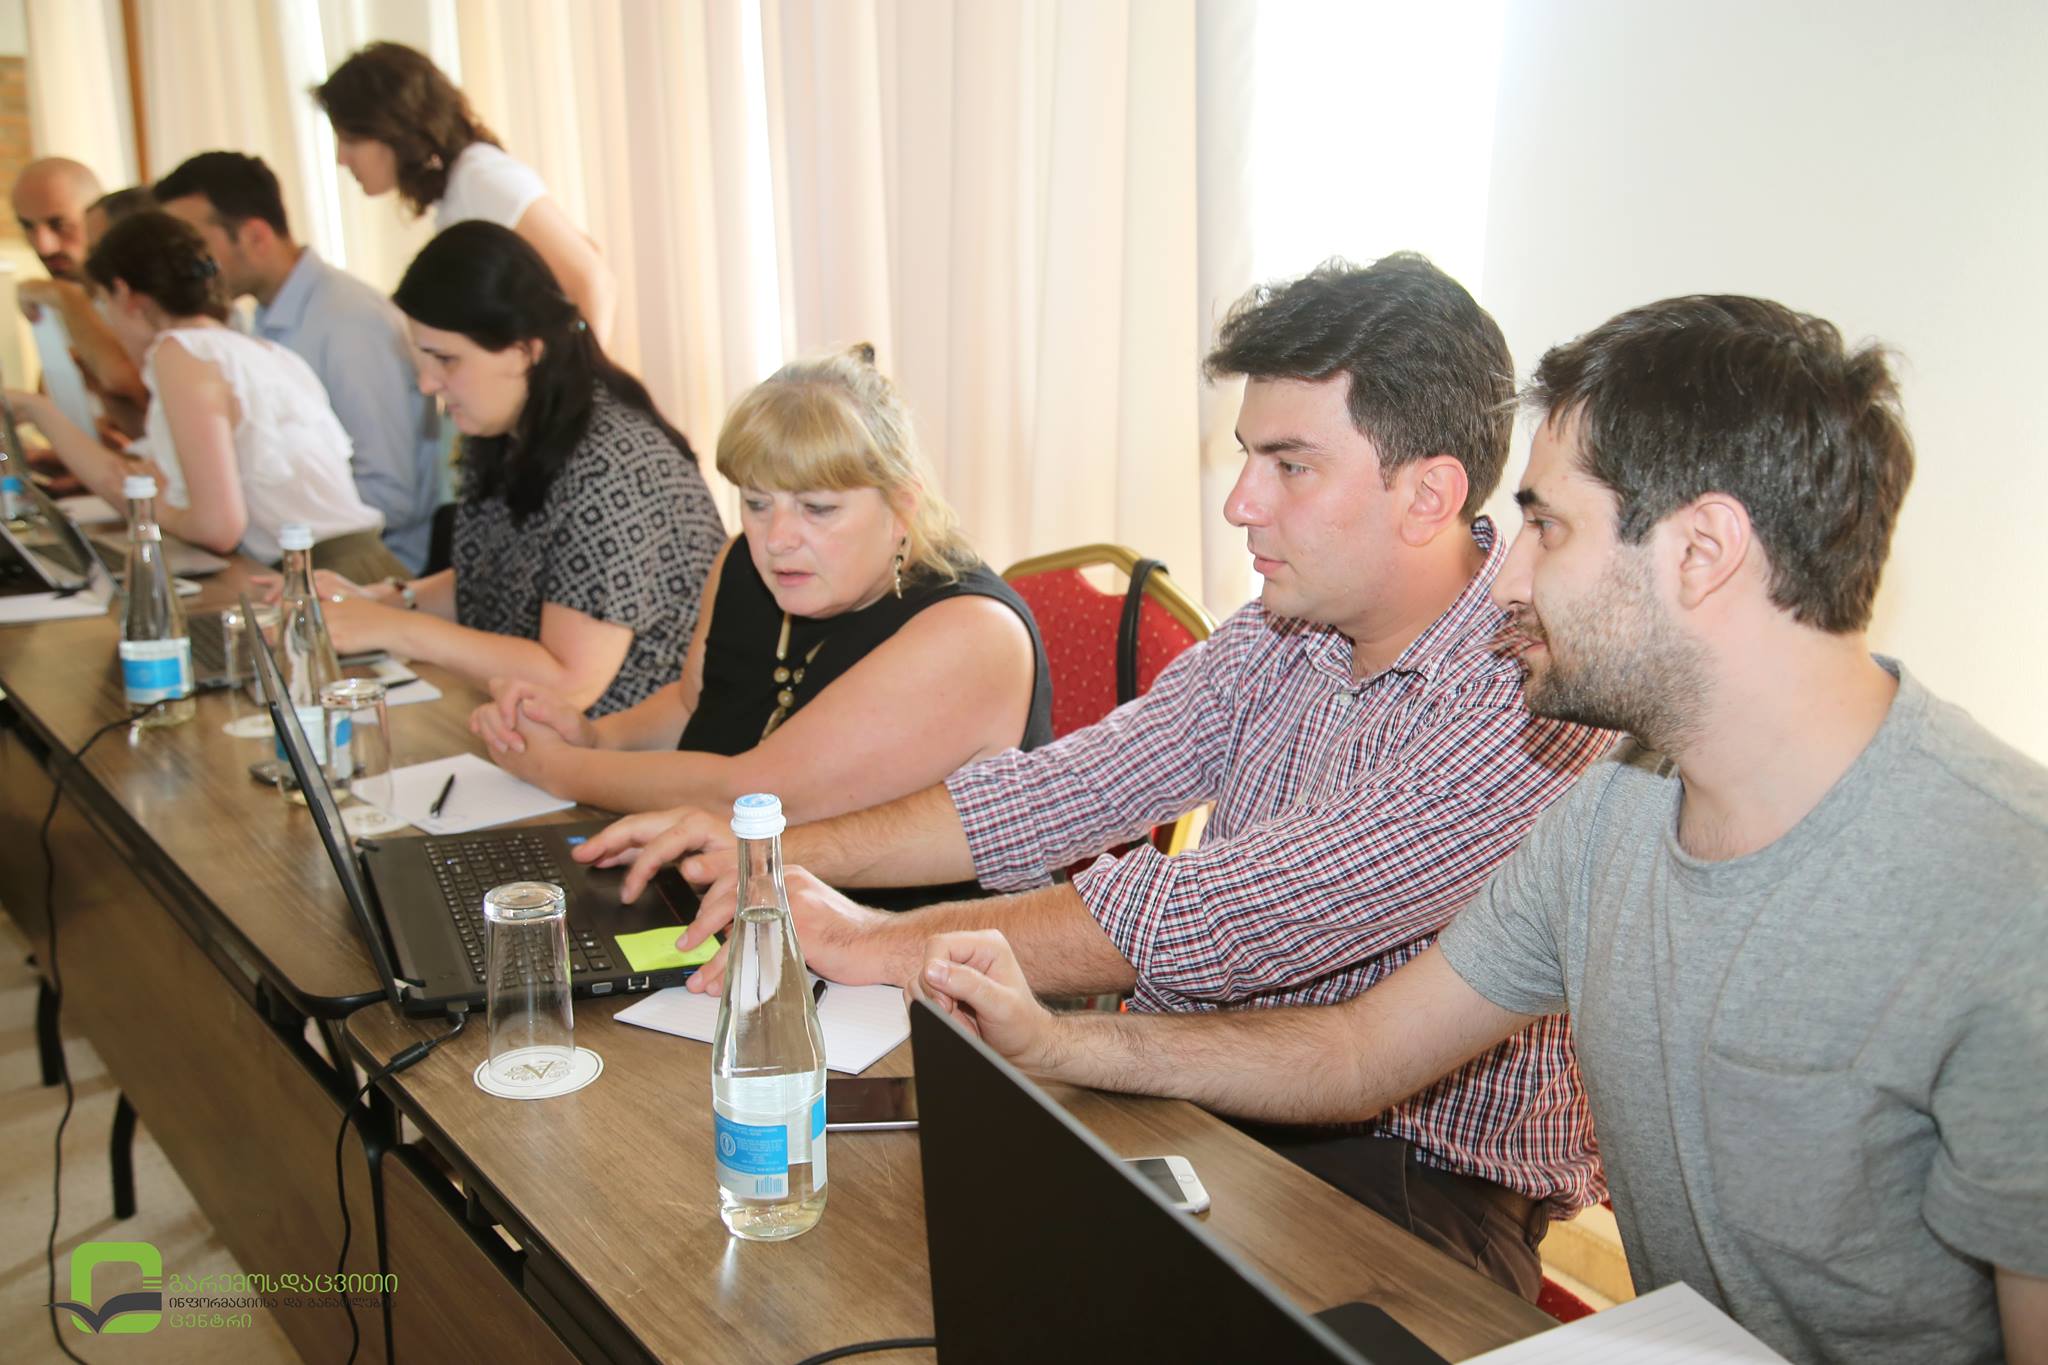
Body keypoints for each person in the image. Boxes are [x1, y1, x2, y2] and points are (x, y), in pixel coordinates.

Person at [910, 296, 2048, 1365]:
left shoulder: (2008, 905)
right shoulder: (1609, 815)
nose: (1506, 579)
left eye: (1547, 527)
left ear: (1701, 552)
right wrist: (1059, 1045)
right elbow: (1359, 1052)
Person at [580, 256, 1617, 1298]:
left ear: (1428, 494)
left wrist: (871, 940)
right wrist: (778, 857)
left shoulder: (1527, 693)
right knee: (848, 1249)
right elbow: (1056, 792)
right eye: (1247, 457)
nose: (1241, 503)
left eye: (1291, 466)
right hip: (1185, 1084)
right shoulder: (1285, 628)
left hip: (1407, 1180)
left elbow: (1220, 917)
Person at [469, 345, 1053, 827]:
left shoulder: (971, 632)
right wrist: (594, 738)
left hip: (907, 931)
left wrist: (555, 768)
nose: (777, 539)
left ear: (902, 506)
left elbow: (756, 798)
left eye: (817, 509)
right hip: (736, 891)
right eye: (755, 502)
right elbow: (692, 705)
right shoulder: (741, 564)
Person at [307, 221, 723, 717]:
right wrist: (381, 601)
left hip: (633, 747)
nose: (427, 383)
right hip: (537, 734)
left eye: (446, 360)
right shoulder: (513, 431)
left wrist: (395, 629)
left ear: (527, 351)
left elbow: (569, 681)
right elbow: (495, 577)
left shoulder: (612, 465)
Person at [4, 210, 398, 580]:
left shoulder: (180, 352)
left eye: (103, 303)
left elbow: (217, 527)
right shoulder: (258, 351)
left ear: (124, 293)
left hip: (320, 576)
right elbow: (135, 477)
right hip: (359, 564)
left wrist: (152, 507)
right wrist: (38, 410)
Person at [155, 151, 447, 572]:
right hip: (291, 558)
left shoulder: (349, 322)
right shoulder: (257, 318)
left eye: (193, 245)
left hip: (368, 570)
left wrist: (250, 510)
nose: (181, 265)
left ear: (254, 236)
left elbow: (390, 495)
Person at [313, 42, 617, 344]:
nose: (341, 158)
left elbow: (593, 281)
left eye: (350, 139)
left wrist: (584, 375)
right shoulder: (460, 189)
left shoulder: (479, 180)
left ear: (392, 127)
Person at [11, 157, 148, 438]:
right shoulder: (53, 299)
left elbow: (126, 384)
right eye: (28, 226)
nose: (44, 246)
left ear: (96, 216)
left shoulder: (143, 293)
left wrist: (66, 297)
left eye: (59, 224)